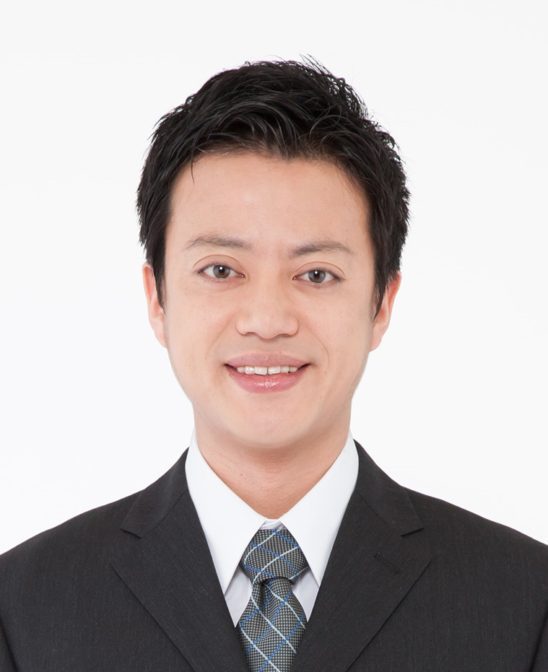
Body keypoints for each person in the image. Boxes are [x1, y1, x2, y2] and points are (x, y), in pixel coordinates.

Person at [0, 58, 546, 672]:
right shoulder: (24, 609)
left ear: (381, 304)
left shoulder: (523, 605)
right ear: (157, 299)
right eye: (221, 270)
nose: (266, 319)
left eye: (316, 274)